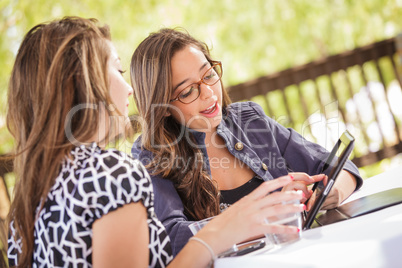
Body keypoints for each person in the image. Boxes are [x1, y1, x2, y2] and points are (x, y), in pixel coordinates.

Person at [6, 17, 306, 267]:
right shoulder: (110, 174)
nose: (130, 90)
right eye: (118, 71)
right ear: (81, 86)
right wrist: (224, 229)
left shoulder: (31, 194)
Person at [130, 28, 363, 256]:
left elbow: (340, 168)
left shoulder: (249, 121)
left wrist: (331, 194)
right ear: (163, 106)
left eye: (209, 75)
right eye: (188, 91)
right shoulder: (150, 156)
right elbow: (170, 239)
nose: (209, 93)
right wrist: (267, 215)